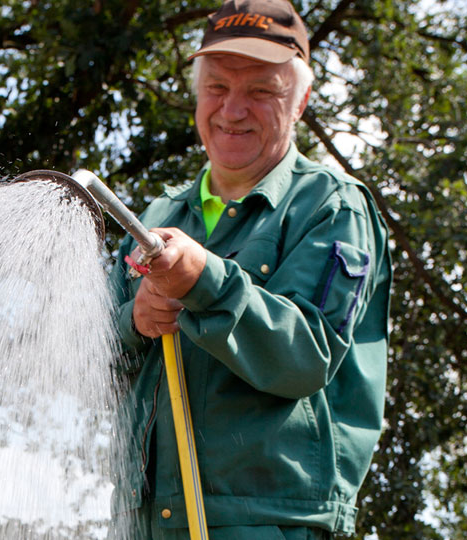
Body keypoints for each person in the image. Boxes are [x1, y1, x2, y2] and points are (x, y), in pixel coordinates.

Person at [109, 0, 392, 538]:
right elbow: (92, 358)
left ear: (301, 100)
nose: (232, 109)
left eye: (261, 91)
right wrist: (135, 319)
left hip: (269, 523)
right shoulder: (155, 218)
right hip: (144, 524)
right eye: (217, 87)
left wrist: (202, 280)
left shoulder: (332, 207)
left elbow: (307, 355)